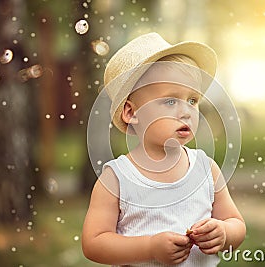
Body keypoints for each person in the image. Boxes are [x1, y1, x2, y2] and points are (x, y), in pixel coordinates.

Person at [82, 32, 245, 266]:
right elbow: (94, 243)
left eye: (192, 100)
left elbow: (235, 222)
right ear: (131, 112)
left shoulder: (206, 169)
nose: (186, 111)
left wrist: (224, 233)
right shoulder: (117, 179)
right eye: (170, 101)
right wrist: (149, 248)